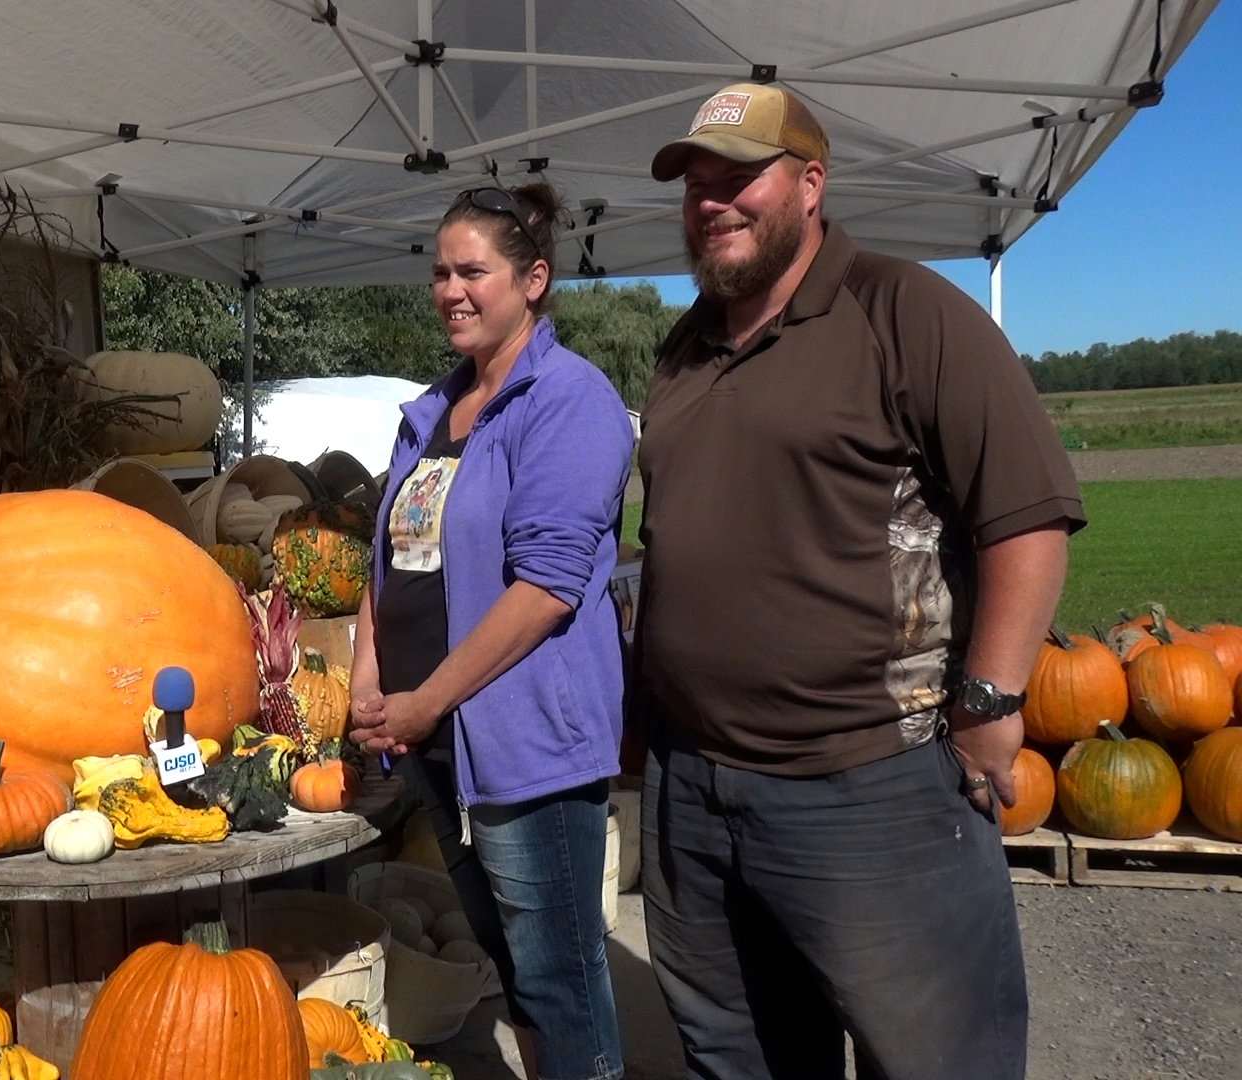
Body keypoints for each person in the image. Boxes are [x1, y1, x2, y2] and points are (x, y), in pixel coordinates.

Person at [633, 83, 1084, 1080]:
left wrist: (991, 701)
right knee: (737, 1056)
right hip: (694, 789)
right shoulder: (685, 343)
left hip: (868, 784)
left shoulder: (907, 311)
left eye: (739, 177)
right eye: (696, 183)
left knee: (932, 1058)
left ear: (810, 183)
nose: (714, 200)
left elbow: (1029, 518)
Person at [349, 182, 636, 1080]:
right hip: (436, 740)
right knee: (513, 976)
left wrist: (423, 702)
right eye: (439, 271)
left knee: (560, 980)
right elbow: (385, 563)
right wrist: (366, 681)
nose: (451, 289)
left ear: (533, 280)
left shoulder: (568, 400)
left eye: (473, 270)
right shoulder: (431, 413)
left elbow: (547, 587)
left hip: (526, 746)